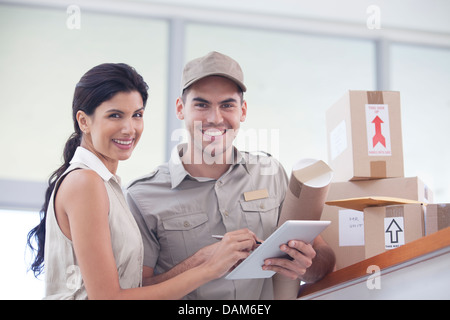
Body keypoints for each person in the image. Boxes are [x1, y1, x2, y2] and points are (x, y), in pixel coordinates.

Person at [26, 62, 259, 300]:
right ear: (84, 121)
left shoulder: (102, 183)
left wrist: (202, 258)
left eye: (137, 115)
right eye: (115, 115)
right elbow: (109, 298)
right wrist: (209, 270)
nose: (129, 128)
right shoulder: (85, 182)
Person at [126, 51, 336, 300]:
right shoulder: (142, 196)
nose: (215, 118)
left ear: (243, 111)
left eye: (227, 105)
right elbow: (136, 292)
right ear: (181, 109)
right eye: (201, 104)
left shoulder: (270, 173)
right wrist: (202, 263)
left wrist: (308, 265)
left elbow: (324, 257)